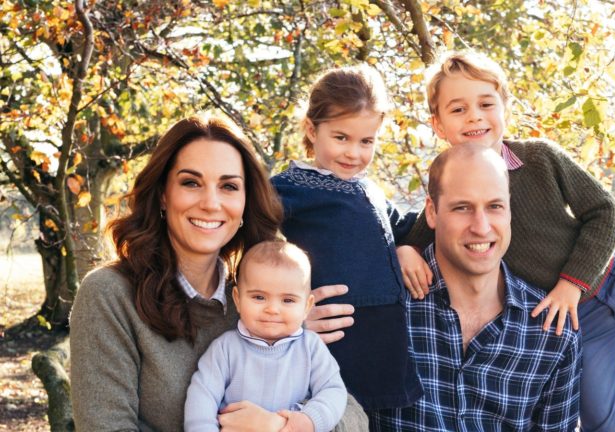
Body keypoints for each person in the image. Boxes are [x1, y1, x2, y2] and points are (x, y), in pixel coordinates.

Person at [394, 50, 615, 431]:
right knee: (599, 424)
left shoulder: (541, 158)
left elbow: (605, 211)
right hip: (578, 321)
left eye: (485, 104)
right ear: (437, 124)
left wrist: (572, 283)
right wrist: (404, 251)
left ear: (505, 108)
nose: (475, 117)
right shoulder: (450, 187)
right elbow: (421, 235)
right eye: (458, 109)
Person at [70, 114, 367, 431]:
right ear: (162, 194)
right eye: (191, 183)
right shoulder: (110, 295)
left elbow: (354, 417)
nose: (211, 203)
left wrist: (283, 426)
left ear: (245, 201)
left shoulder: (264, 298)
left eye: (228, 186)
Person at [369, 144, 581, 430]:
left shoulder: (552, 332)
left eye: (494, 206)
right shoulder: (382, 305)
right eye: (462, 207)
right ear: (431, 212)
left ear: (509, 211)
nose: (481, 227)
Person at [270, 65, 423, 412]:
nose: (354, 153)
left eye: (366, 141)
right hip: (335, 345)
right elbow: (250, 246)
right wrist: (286, 312)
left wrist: (407, 246)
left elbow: (405, 227)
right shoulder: (289, 189)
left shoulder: (370, 189)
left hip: (383, 349)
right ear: (312, 129)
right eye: (341, 137)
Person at [185, 241, 346, 432]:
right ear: (237, 299)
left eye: (287, 300)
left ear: (307, 306)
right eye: (259, 297)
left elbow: (333, 390)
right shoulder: (225, 349)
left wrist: (309, 421)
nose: (272, 309)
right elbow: (201, 398)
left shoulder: (311, 348)